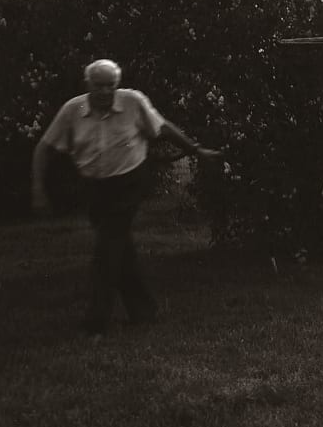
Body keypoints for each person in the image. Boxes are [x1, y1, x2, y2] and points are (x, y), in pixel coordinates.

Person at [31, 60, 221, 336]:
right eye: (99, 86)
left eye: (111, 86)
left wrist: (197, 150)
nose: (106, 92)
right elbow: (44, 149)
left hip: (129, 181)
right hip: (94, 187)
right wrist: (38, 189)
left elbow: (163, 128)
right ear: (88, 86)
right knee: (119, 247)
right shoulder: (73, 111)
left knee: (107, 247)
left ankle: (96, 322)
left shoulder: (133, 102)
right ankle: (143, 312)